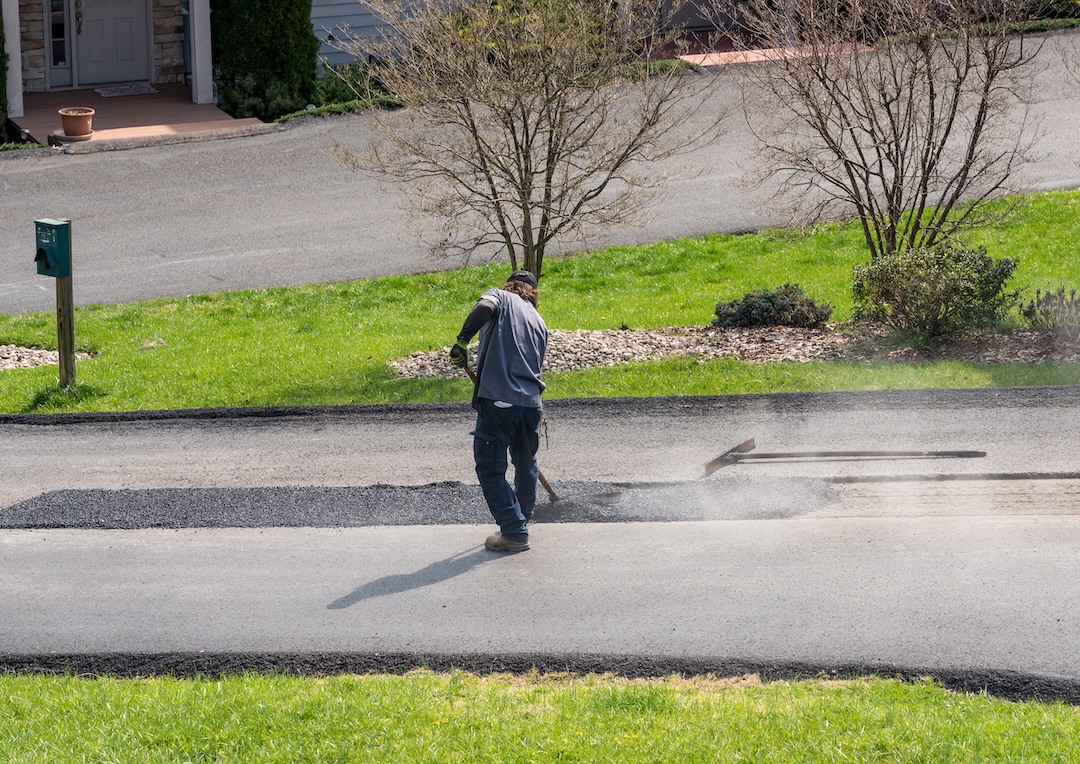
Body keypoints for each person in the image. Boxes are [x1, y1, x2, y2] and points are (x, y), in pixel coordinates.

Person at [450, 269, 548, 552]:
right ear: (533, 293)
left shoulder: (501, 297)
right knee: (526, 462)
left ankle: (514, 532)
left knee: (491, 468)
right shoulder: (540, 322)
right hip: (531, 405)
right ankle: (520, 520)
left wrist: (462, 341)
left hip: (500, 402)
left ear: (511, 286)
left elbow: (484, 307)